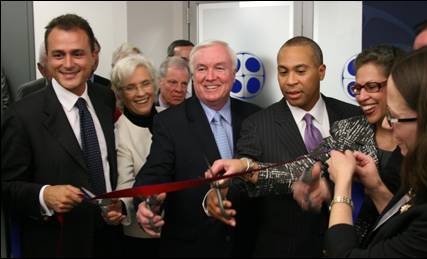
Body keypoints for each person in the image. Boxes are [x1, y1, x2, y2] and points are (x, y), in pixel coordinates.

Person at [206, 45, 405, 246]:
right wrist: (245, 167)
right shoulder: (352, 127)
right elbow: (305, 166)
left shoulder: (424, 137)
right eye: (357, 88)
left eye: (371, 87)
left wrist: (369, 186)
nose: (362, 97)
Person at [1, 14, 123, 257]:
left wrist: (118, 205)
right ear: (47, 59)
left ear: (93, 57)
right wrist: (44, 195)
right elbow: (6, 186)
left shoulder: (105, 98)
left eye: (77, 53)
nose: (68, 64)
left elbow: (108, 164)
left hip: (110, 239)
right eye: (58, 55)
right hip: (56, 245)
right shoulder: (22, 115)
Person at [133, 40, 261, 257]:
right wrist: (147, 203)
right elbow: (153, 176)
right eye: (202, 69)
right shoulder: (170, 122)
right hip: (192, 246)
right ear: (193, 74)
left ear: (234, 72)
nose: (210, 77)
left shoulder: (256, 117)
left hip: (248, 245)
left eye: (219, 68)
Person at [325, 43, 427, 257]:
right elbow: (402, 222)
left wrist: (343, 186)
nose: (388, 126)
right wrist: (374, 186)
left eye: (394, 118)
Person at [111, 54, 160, 257]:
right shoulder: (119, 132)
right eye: (130, 87)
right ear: (120, 94)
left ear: (155, 84)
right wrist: (121, 206)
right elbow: (125, 185)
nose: (141, 93)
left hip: (181, 230)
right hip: (142, 237)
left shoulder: (169, 117)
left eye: (145, 83)